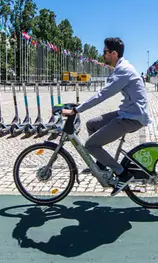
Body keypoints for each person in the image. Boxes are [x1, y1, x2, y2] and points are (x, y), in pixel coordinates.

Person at [61, 37, 150, 195]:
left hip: (132, 117)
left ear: (114, 53)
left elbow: (103, 94)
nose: (103, 55)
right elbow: (103, 92)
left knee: (90, 145)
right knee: (92, 124)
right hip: (128, 112)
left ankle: (123, 174)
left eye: (105, 52)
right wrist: (78, 106)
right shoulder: (120, 68)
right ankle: (101, 164)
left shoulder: (124, 70)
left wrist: (77, 110)